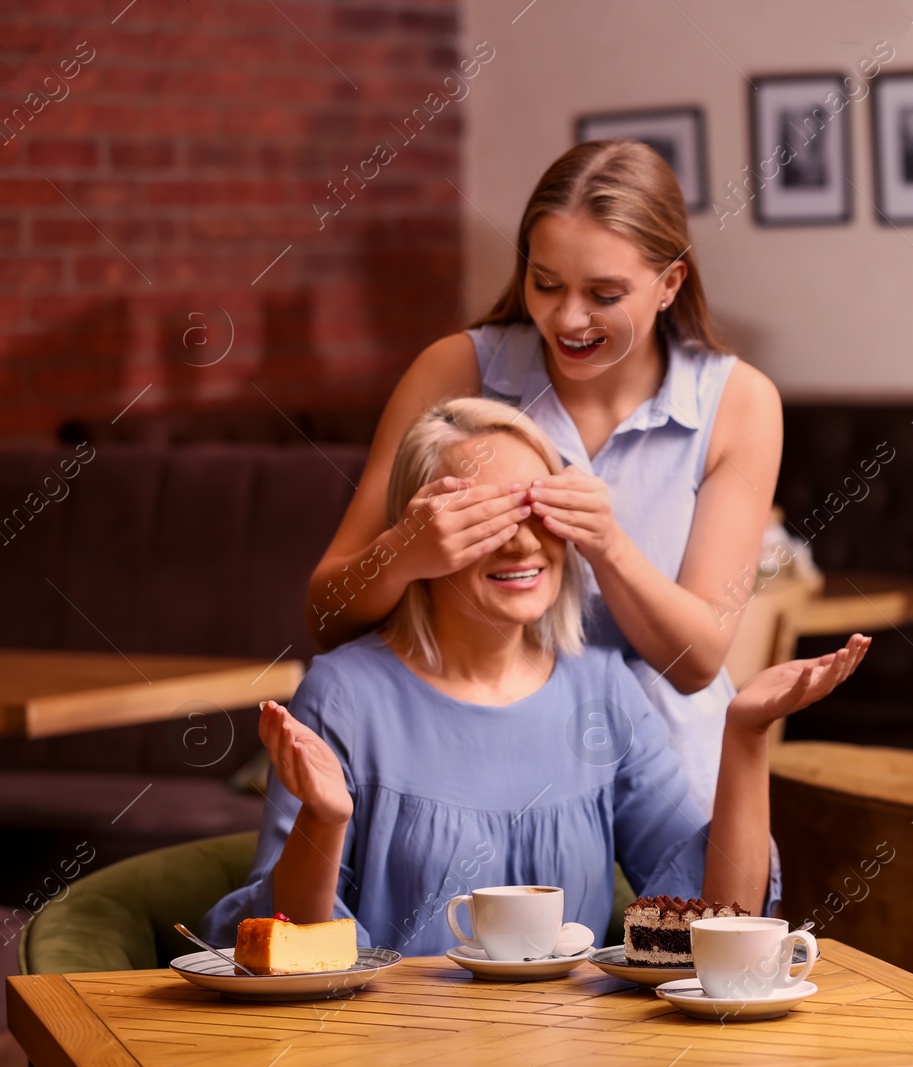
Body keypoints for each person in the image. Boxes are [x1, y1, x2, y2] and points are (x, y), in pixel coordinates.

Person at [205, 399, 865, 955]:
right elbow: (282, 944)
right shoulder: (344, 694)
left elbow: (715, 925)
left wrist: (746, 735)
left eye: (536, 511)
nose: (521, 543)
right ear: (423, 532)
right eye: (485, 520)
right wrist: (324, 819)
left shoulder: (604, 692)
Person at [306, 140, 783, 813]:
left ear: (670, 283)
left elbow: (697, 661)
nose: (567, 318)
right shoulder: (456, 370)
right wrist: (403, 553)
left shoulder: (739, 403)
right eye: (546, 282)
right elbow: (326, 613)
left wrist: (610, 547)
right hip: (477, 770)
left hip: (669, 779)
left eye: (604, 293)